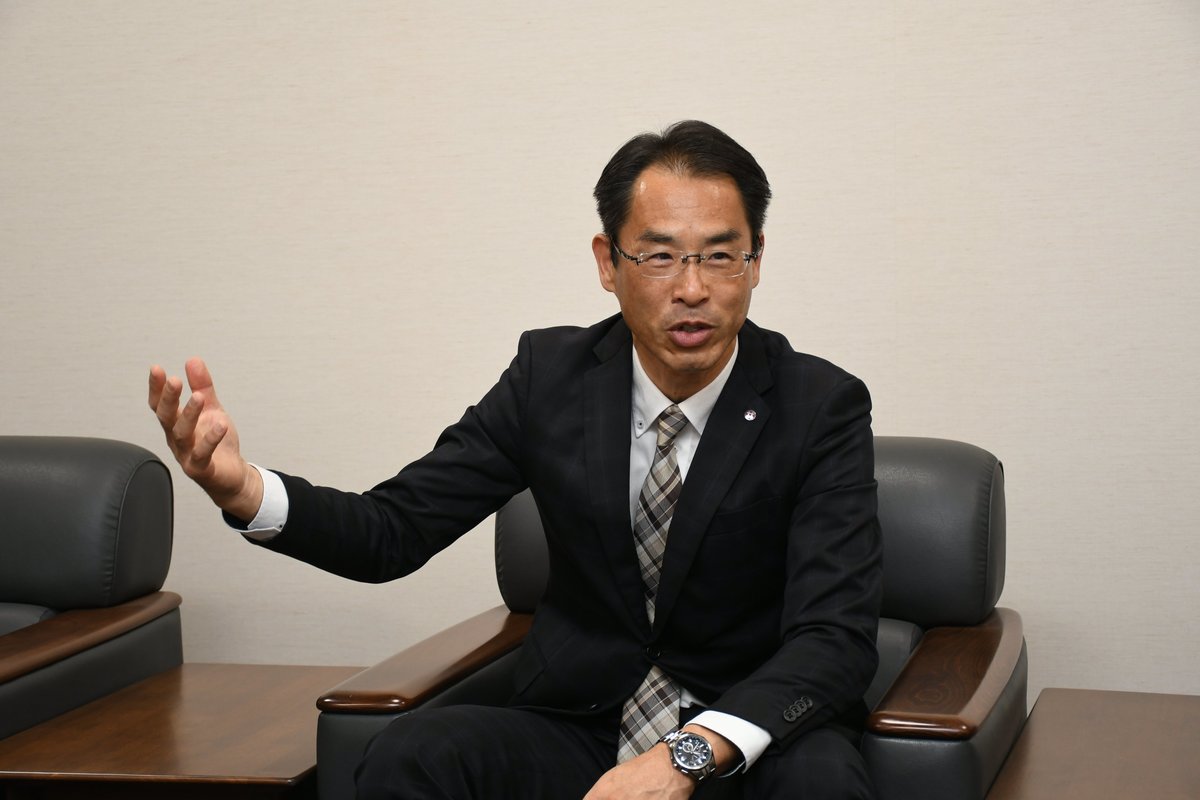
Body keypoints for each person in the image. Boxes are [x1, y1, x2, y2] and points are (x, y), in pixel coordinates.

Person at [148, 120, 882, 799]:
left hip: (746, 739)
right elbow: (391, 531)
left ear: (756, 261)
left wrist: (684, 757)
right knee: (416, 753)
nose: (693, 289)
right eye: (659, 256)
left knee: (822, 783)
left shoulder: (819, 405)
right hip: (581, 726)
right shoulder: (549, 379)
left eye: (720, 255)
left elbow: (835, 638)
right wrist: (243, 491)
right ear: (608, 262)